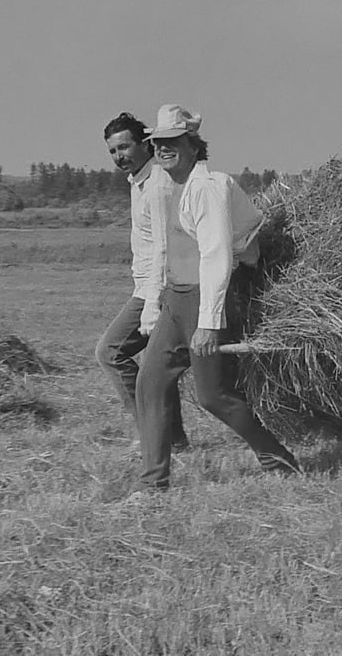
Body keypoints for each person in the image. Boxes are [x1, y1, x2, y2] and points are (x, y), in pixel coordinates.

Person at [133, 104, 299, 493]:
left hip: (203, 302)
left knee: (213, 396)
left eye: (173, 141)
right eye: (158, 143)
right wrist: (157, 301)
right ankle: (153, 483)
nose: (163, 149)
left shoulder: (206, 188)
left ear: (193, 146)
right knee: (150, 382)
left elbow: (216, 255)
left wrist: (208, 322)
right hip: (177, 298)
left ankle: (278, 459)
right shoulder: (175, 187)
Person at [93, 112, 188, 452]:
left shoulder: (158, 185)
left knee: (111, 351)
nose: (120, 156)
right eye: (113, 151)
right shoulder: (139, 181)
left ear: (145, 144)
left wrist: (152, 302)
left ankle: (154, 435)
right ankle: (171, 439)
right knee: (157, 365)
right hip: (148, 285)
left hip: (159, 287)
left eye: (125, 147)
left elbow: (165, 245)